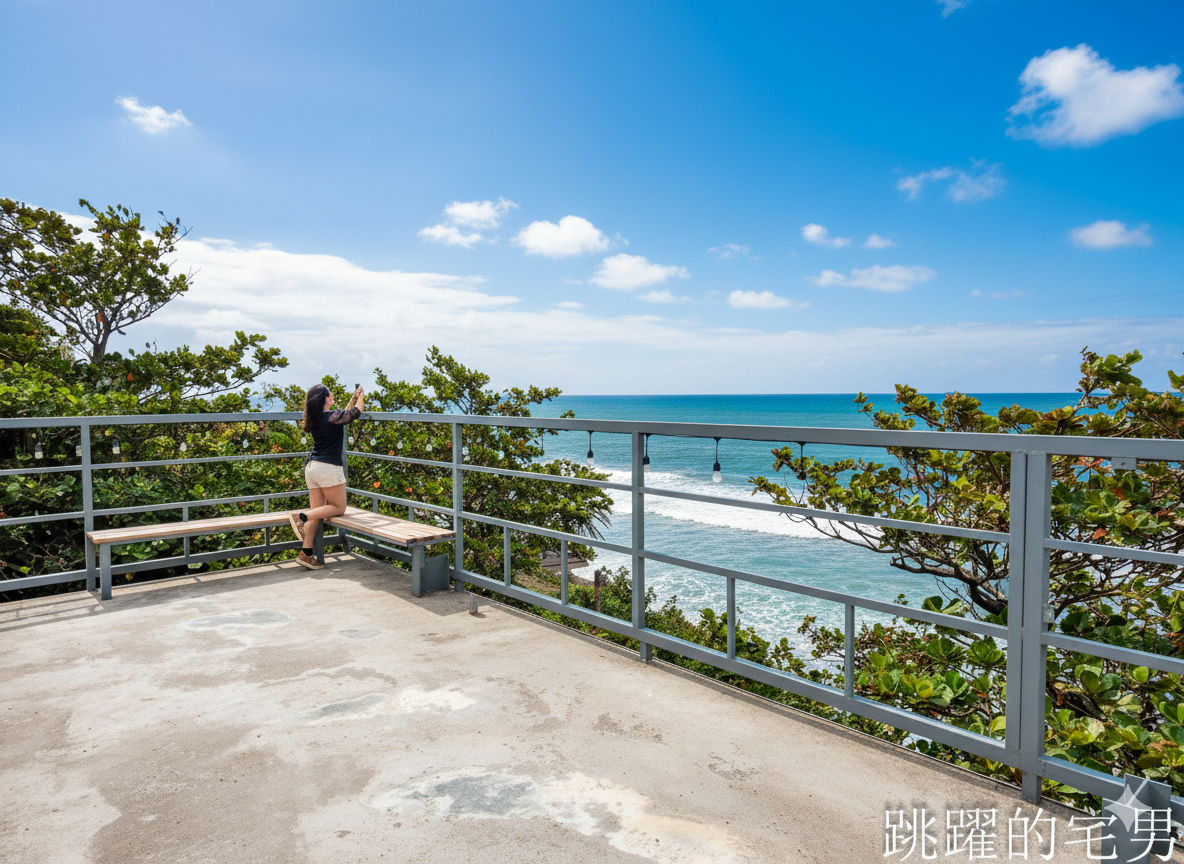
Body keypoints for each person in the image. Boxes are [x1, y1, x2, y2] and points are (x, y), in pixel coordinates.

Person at [289, 383, 364, 569]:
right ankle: (300, 517)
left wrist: (353, 399)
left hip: (312, 468)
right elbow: (355, 413)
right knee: (338, 507)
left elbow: (346, 413)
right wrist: (361, 397)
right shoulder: (332, 417)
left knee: (317, 513)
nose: (332, 396)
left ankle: (306, 554)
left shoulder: (317, 418)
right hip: (328, 468)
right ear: (325, 398)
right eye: (330, 395)